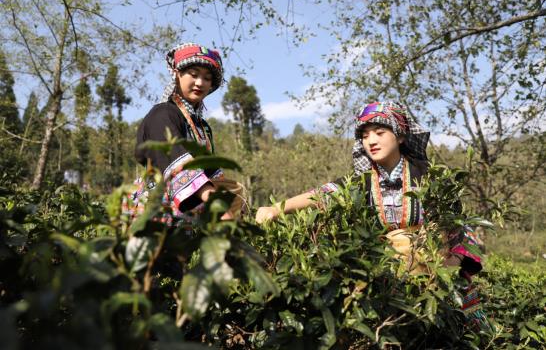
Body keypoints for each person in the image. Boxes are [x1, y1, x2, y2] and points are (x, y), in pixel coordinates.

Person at [256, 101, 488, 328]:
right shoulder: (362, 181)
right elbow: (322, 193)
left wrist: (449, 268)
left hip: (437, 275)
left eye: (379, 132)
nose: (371, 141)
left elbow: (456, 224)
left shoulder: (430, 175)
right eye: (365, 136)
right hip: (391, 282)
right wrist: (276, 208)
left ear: (400, 136)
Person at [129, 42, 243, 228]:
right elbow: (177, 162)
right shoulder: (162, 115)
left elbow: (210, 171)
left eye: (207, 78)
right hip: (158, 217)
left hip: (191, 219)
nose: (200, 82)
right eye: (194, 74)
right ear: (177, 74)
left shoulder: (201, 126)